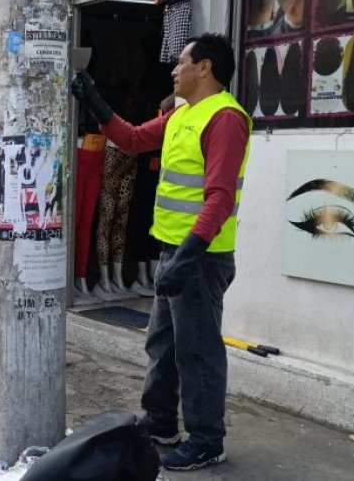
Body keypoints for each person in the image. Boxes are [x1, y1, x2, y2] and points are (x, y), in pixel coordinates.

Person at [71, 34, 251, 472]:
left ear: (204, 67)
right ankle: (161, 424)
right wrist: (94, 101)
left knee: (197, 351)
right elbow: (132, 139)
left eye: (180, 61)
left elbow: (220, 198)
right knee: (163, 344)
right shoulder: (182, 113)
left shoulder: (225, 118)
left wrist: (187, 256)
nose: (173, 68)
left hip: (200, 258)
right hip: (174, 252)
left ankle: (208, 440)